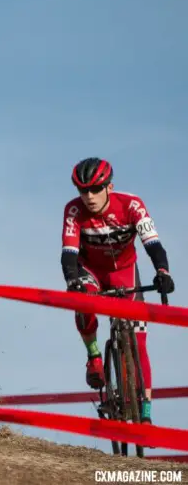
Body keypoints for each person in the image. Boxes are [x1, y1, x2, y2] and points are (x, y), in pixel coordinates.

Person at [61, 157, 175, 423]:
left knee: (141, 342)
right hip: (90, 270)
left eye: (95, 189)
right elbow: (68, 253)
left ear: (109, 187)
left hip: (125, 271)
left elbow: (153, 244)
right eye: (82, 190)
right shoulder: (74, 211)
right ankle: (94, 357)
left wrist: (163, 273)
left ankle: (145, 412)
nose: (88, 196)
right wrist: (71, 280)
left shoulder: (132, 205)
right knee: (83, 299)